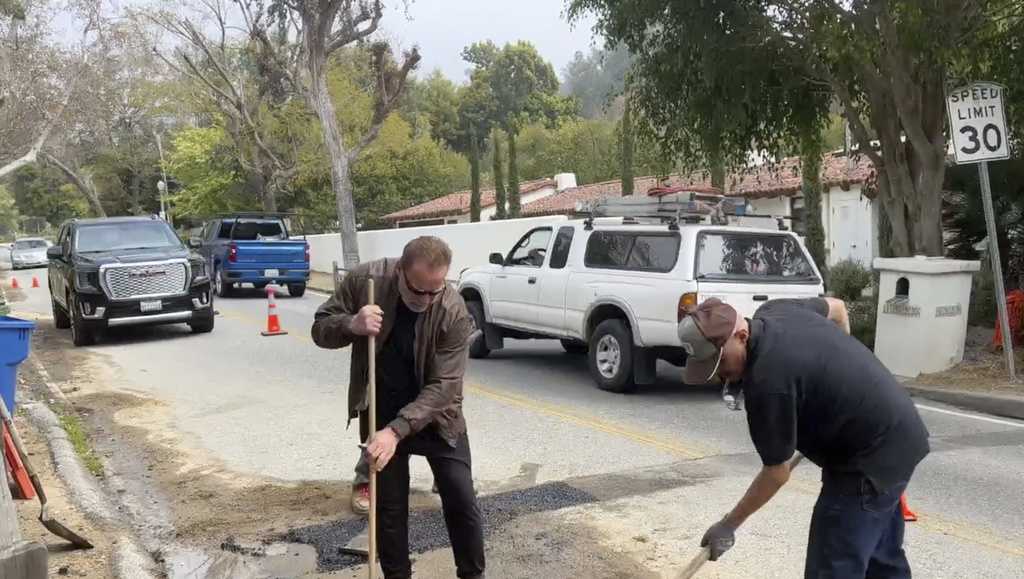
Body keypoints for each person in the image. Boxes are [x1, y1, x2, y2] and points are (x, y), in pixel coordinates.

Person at [678, 297, 929, 578]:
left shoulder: (768, 383)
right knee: (881, 559)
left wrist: (728, 525)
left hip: (866, 463)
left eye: (720, 361)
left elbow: (776, 474)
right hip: (901, 432)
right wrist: (842, 372)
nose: (720, 374)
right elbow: (838, 309)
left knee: (831, 569)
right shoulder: (776, 311)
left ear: (742, 335)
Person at [311, 236, 485, 579]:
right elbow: (320, 328)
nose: (427, 299)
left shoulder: (451, 307)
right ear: (400, 271)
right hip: (382, 411)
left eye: (437, 288)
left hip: (437, 416)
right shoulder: (366, 281)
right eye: (419, 290)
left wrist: (397, 430)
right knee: (389, 509)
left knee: (461, 498)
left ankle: (473, 575)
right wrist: (351, 324)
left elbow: (445, 386)